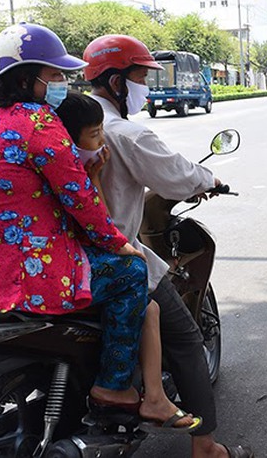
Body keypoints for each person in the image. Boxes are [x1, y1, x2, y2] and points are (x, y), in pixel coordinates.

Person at [0, 22, 149, 417]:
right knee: (130, 273)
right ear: (28, 79)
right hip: (21, 275)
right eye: (55, 74)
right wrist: (118, 242)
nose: (62, 82)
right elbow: (79, 199)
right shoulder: (37, 121)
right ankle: (114, 387)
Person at [82, 34, 254, 458]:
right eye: (140, 77)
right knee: (186, 339)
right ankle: (207, 446)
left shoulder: (55, 125)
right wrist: (209, 179)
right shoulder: (123, 133)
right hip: (113, 256)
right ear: (117, 83)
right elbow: (176, 175)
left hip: (54, 259)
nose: (146, 87)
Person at [53, 91, 201, 433]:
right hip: (64, 269)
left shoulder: (65, 163)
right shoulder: (62, 169)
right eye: (95, 135)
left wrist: (95, 174)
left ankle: (154, 395)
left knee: (148, 309)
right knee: (135, 271)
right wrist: (124, 248)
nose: (103, 141)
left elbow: (98, 218)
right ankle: (117, 386)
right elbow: (100, 227)